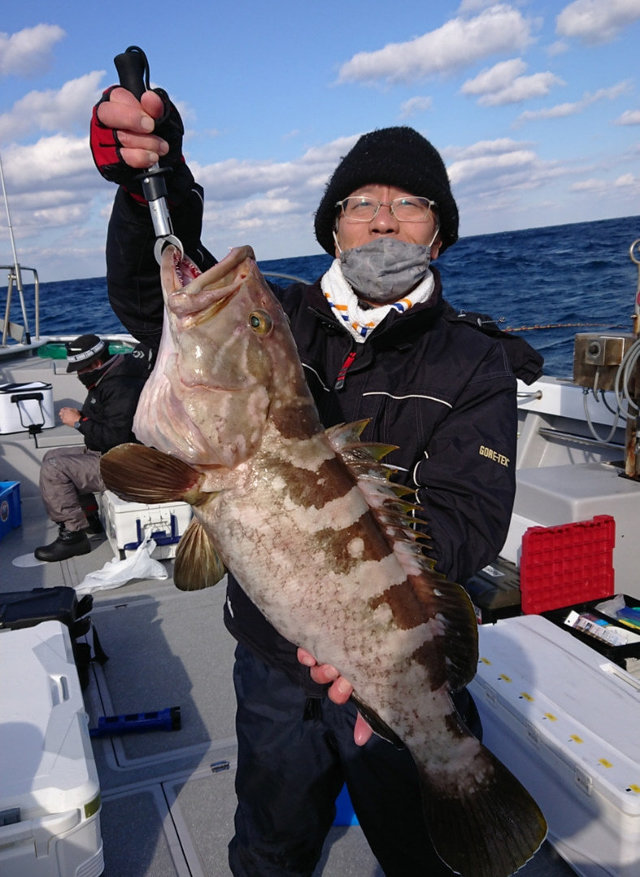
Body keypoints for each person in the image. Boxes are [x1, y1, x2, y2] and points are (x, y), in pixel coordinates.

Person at [91, 86, 543, 875]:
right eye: (361, 201)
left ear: (440, 234)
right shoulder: (287, 314)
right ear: (333, 225)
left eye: (412, 203)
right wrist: (150, 187)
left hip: (398, 658)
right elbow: (151, 294)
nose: (384, 218)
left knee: (425, 851)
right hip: (269, 666)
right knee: (271, 844)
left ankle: (460, 787)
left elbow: (470, 515)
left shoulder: (475, 360)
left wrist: (351, 620)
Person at [34, 333, 150, 562]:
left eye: (80, 369)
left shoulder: (121, 386)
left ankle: (73, 535)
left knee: (56, 468)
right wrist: (82, 419)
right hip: (115, 455)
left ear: (96, 364)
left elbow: (116, 438)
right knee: (52, 456)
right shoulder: (109, 377)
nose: (78, 375)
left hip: (128, 466)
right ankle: (89, 519)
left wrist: (79, 422)